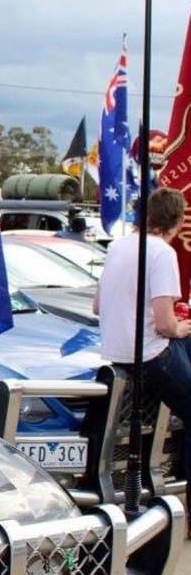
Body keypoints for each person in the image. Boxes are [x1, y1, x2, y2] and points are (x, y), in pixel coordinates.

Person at [93, 187, 191, 503]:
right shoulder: (163, 253)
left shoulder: (120, 247)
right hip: (150, 355)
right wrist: (180, 327)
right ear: (176, 222)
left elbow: (97, 306)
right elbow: (164, 323)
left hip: (114, 352)